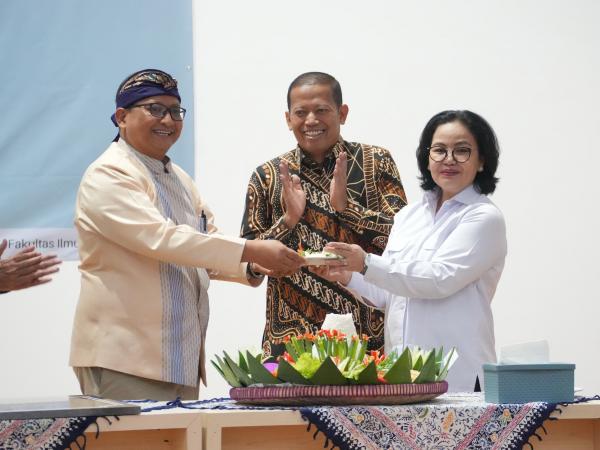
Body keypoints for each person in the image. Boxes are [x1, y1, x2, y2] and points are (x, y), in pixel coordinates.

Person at [70, 69, 304, 400]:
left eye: (175, 111)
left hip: (179, 358)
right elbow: (162, 239)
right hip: (124, 358)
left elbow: (203, 247)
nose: (168, 119)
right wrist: (252, 250)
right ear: (122, 117)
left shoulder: (178, 177)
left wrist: (254, 266)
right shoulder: (108, 174)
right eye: (154, 109)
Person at [317, 110, 507, 392]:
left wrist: (367, 263)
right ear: (426, 157)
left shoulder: (483, 217)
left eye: (462, 151)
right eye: (439, 150)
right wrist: (348, 275)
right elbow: (392, 294)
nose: (449, 159)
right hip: (403, 377)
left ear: (482, 161)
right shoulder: (409, 216)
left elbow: (439, 279)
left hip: (459, 378)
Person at [240, 72, 407, 357]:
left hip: (367, 336)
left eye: (322, 110)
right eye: (301, 112)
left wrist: (347, 209)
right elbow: (247, 264)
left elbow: (403, 240)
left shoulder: (377, 162)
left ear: (342, 113)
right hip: (291, 340)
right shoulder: (267, 176)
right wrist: (288, 220)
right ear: (287, 119)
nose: (311, 121)